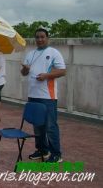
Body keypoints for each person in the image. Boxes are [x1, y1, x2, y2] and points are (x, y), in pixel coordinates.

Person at [21, 28, 66, 163]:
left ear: (47, 38)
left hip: (48, 96)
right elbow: (23, 73)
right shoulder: (31, 54)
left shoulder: (53, 53)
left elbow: (62, 71)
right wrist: (25, 69)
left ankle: (56, 154)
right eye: (37, 37)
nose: (39, 40)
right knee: (37, 125)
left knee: (50, 126)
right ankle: (42, 150)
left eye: (42, 37)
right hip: (33, 95)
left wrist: (46, 75)